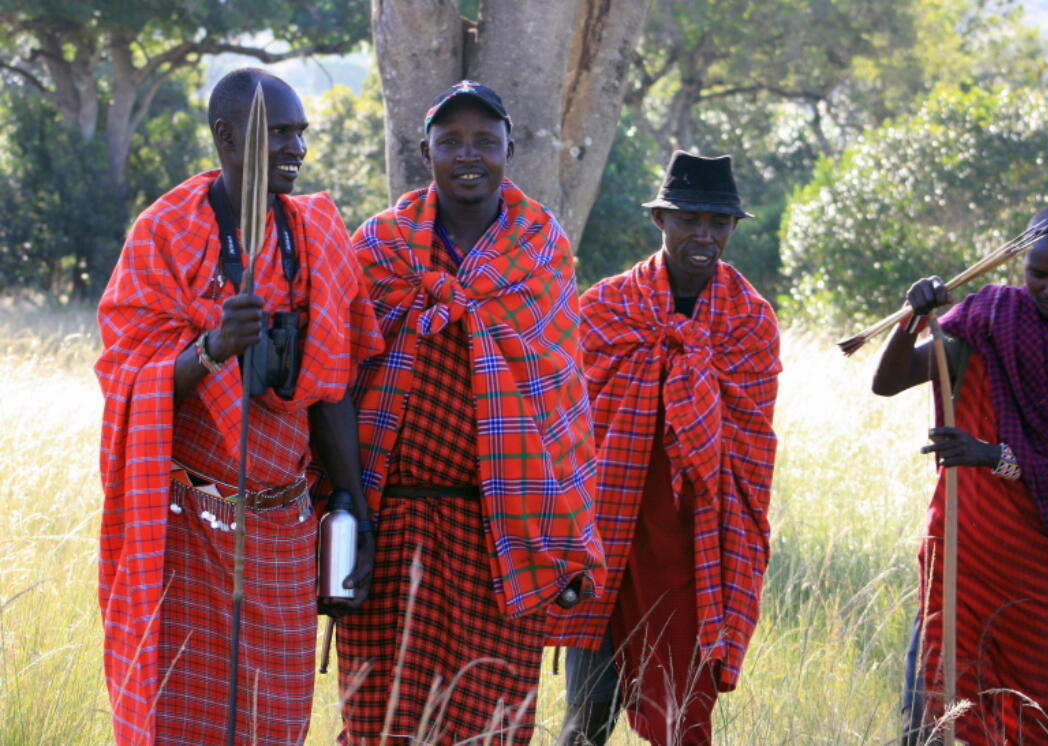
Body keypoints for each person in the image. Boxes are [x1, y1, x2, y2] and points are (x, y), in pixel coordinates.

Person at [95, 68, 383, 745]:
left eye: (302, 133)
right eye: (280, 132)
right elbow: (129, 377)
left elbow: (332, 387)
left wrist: (353, 506)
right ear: (226, 136)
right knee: (178, 716)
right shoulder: (165, 232)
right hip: (189, 523)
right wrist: (213, 349)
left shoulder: (314, 232)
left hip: (283, 518)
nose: (298, 148)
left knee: (275, 720)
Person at [334, 81, 605, 745]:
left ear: (511, 146)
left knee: (493, 724)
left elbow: (561, 408)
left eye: (486, 139)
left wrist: (565, 541)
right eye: (451, 140)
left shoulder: (541, 250)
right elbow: (337, 384)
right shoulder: (377, 247)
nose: (469, 154)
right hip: (387, 525)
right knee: (379, 721)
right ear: (424, 148)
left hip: (502, 533)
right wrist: (346, 516)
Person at [871, 205, 1048, 745]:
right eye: (1039, 274)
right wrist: (910, 317)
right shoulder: (987, 321)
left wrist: (994, 456)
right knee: (934, 727)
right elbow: (890, 380)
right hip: (963, 564)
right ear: (1022, 265)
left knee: (1042, 728)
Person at [550, 151, 782, 746]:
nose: (704, 236)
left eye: (718, 223)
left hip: (694, 538)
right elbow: (565, 428)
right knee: (586, 718)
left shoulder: (749, 321)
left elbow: (752, 444)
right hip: (603, 536)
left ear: (733, 228)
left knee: (680, 718)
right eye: (688, 220)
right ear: (660, 221)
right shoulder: (605, 308)